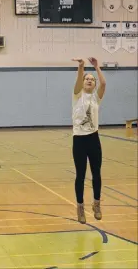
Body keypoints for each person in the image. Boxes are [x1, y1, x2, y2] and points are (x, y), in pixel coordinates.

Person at [71, 57, 106, 224]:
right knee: (80, 175)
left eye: (92, 80)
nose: (90, 81)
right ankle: (80, 207)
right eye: (88, 79)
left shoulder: (96, 98)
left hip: (93, 138)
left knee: (96, 173)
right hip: (79, 140)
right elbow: (78, 80)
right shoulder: (77, 95)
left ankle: (97, 204)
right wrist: (81, 67)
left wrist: (96, 67)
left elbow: (104, 84)